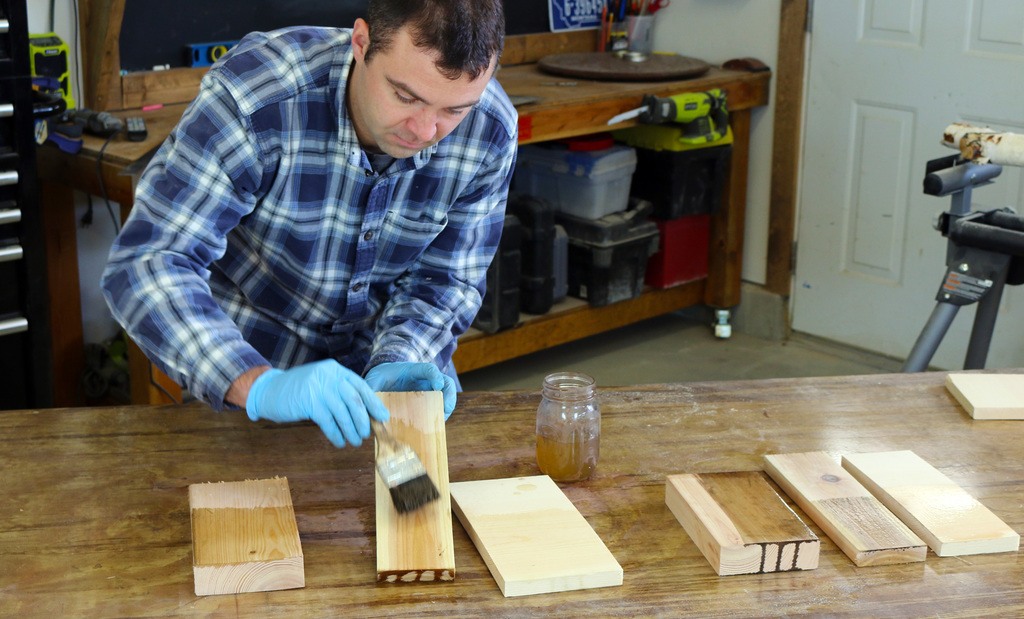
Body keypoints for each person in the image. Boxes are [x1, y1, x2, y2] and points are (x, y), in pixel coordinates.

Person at [101, 0, 517, 449]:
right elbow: (148, 260)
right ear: (362, 42)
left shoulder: (489, 128)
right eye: (405, 96)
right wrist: (256, 385)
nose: (424, 130)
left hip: (385, 378)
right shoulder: (256, 97)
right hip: (254, 369)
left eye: (452, 111)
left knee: (414, 512)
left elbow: (447, 280)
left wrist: (400, 359)